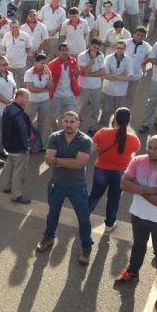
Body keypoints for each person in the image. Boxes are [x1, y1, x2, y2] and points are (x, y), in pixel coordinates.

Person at [114, 135, 157, 312]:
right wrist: (150, 190)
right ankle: (133, 272)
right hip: (139, 214)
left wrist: (136, 187)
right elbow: (123, 184)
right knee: (138, 245)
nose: (151, 151)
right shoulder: (138, 161)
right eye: (149, 147)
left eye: (156, 148)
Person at [36, 111, 94, 266]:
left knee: (83, 218)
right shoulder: (54, 137)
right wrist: (68, 161)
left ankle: (86, 247)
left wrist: (56, 160)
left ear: (78, 123)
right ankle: (49, 237)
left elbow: (79, 164)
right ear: (62, 122)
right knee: (52, 213)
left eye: (72, 121)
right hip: (57, 183)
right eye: (66, 121)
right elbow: (48, 161)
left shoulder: (85, 141)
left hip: (77, 186)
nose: (68, 124)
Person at [88, 107, 141, 231]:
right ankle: (109, 224)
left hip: (101, 169)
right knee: (114, 198)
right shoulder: (134, 139)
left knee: (94, 195)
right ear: (128, 122)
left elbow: (93, 148)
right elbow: (135, 151)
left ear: (114, 119)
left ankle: (84, 217)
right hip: (121, 172)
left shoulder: (102, 132)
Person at [0, 89, 33, 205]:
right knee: (19, 171)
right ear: (19, 98)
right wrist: (26, 146)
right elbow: (23, 130)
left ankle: (6, 186)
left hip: (9, 145)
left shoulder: (8, 108)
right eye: (26, 98)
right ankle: (16, 195)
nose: (28, 100)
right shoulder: (19, 113)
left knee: (9, 166)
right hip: (19, 147)